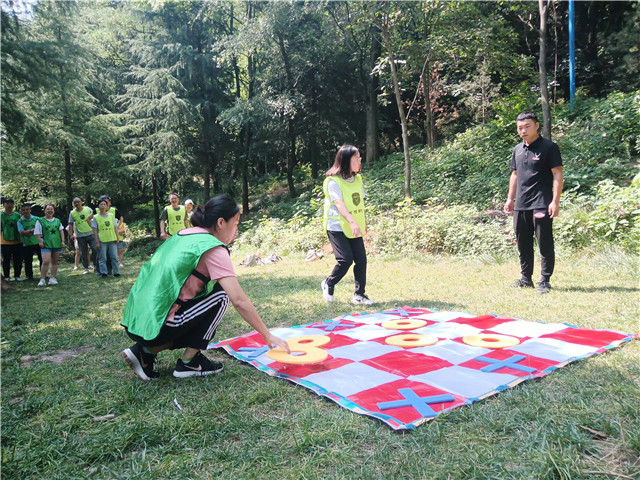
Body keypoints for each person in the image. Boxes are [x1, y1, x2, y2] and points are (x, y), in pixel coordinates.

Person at [121, 194, 290, 380]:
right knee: (221, 296)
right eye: (235, 223)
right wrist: (267, 335)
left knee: (206, 299)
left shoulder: (182, 235)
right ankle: (189, 363)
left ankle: (145, 352)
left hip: (135, 320)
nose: (236, 229)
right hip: (159, 325)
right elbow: (239, 300)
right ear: (220, 222)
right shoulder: (213, 248)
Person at [504, 111, 563, 294]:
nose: (523, 130)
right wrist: (510, 199)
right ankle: (526, 278)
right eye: (520, 127)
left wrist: (555, 201)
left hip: (541, 202)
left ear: (537, 125)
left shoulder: (549, 147)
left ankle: (544, 280)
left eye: (527, 126)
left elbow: (557, 174)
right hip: (521, 204)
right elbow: (514, 174)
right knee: (523, 243)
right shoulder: (518, 149)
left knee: (544, 242)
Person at [321, 145, 374, 305]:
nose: (359, 161)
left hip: (354, 226)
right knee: (345, 260)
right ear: (345, 161)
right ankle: (328, 283)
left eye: (360, 158)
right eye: (356, 158)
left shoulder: (357, 179)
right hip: (336, 227)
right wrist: (352, 221)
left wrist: (362, 223)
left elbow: (359, 203)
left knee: (361, 260)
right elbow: (339, 204)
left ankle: (359, 295)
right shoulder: (332, 181)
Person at [35, 204, 65, 286]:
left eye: (51, 209)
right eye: (48, 209)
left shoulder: (57, 221)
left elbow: (61, 231)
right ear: (44, 210)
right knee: (46, 261)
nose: (50, 211)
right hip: (46, 244)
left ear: (54, 211)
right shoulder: (40, 220)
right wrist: (40, 242)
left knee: (55, 261)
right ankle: (42, 279)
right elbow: (37, 232)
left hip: (56, 243)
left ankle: (52, 278)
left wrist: (63, 241)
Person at [68, 197, 97, 275]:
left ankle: (96, 266)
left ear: (82, 202)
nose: (77, 203)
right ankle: (86, 268)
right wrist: (71, 234)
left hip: (91, 233)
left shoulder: (88, 209)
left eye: (78, 202)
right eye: (75, 202)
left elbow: (96, 218)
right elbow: (70, 224)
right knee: (83, 252)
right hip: (80, 235)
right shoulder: (72, 213)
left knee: (95, 249)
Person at [91, 199, 120, 278]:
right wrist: (97, 242)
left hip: (112, 239)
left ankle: (116, 272)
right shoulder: (96, 217)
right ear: (98, 206)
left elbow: (115, 228)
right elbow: (95, 231)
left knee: (114, 257)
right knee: (103, 258)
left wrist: (117, 238)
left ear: (107, 206)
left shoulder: (111, 215)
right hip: (102, 240)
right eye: (101, 204)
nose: (103, 206)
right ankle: (104, 273)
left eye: (104, 204)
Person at [17, 204, 42, 281]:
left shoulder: (37, 219)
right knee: (28, 260)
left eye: (27, 209)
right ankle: (29, 276)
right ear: (21, 211)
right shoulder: (20, 221)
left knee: (42, 259)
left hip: (38, 242)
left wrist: (28, 231)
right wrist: (32, 230)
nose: (25, 211)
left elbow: (40, 230)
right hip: (27, 243)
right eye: (23, 210)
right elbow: (21, 232)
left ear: (30, 210)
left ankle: (43, 274)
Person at [1, 198, 23, 282]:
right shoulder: (1, 215)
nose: (9, 205)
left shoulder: (17, 215)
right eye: (7, 203)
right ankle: (6, 276)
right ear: (4, 205)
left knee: (18, 259)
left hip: (17, 241)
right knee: (6, 259)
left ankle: (17, 275)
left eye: (11, 203)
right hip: (4, 241)